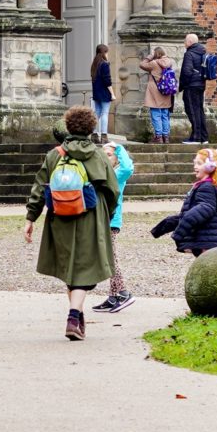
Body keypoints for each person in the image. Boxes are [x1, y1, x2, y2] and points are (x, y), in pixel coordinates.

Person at [25, 104, 117, 341]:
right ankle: (74, 316)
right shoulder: (98, 155)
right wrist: (107, 213)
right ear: (91, 128)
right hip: (90, 213)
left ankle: (77, 317)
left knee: (69, 267)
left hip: (60, 214)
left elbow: (39, 187)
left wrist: (31, 217)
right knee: (84, 268)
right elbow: (112, 190)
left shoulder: (55, 154)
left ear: (68, 127)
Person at [91, 132, 136, 314]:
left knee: (111, 258)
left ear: (117, 159)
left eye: (109, 155)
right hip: (102, 219)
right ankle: (113, 296)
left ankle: (124, 293)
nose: (105, 157)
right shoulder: (104, 173)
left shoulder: (118, 174)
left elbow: (128, 168)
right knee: (108, 257)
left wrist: (118, 147)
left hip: (111, 221)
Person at [150, 149, 217, 255]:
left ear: (210, 167)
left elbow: (203, 209)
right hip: (205, 242)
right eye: (194, 163)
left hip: (206, 243)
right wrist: (161, 228)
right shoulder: (203, 186)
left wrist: (180, 232)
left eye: (199, 163)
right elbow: (188, 214)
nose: (195, 166)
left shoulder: (207, 187)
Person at [178, 32, 210, 144]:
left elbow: (186, 72)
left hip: (191, 86)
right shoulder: (202, 52)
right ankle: (204, 137)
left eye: (185, 41)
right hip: (201, 85)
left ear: (190, 42)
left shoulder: (190, 54)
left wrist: (182, 86)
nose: (184, 43)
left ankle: (196, 138)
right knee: (199, 111)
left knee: (192, 110)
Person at [140, 44, 175, 143]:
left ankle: (158, 137)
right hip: (166, 91)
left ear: (156, 54)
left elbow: (142, 64)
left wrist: (149, 57)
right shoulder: (169, 62)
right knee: (165, 114)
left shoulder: (154, 63)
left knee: (156, 114)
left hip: (155, 91)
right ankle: (166, 136)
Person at [90, 43, 114, 136]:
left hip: (96, 92)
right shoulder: (105, 64)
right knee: (105, 113)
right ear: (104, 53)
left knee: (97, 113)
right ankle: (104, 135)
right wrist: (112, 93)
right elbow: (107, 81)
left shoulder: (94, 64)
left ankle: (94, 134)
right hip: (104, 92)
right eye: (107, 52)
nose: (107, 54)